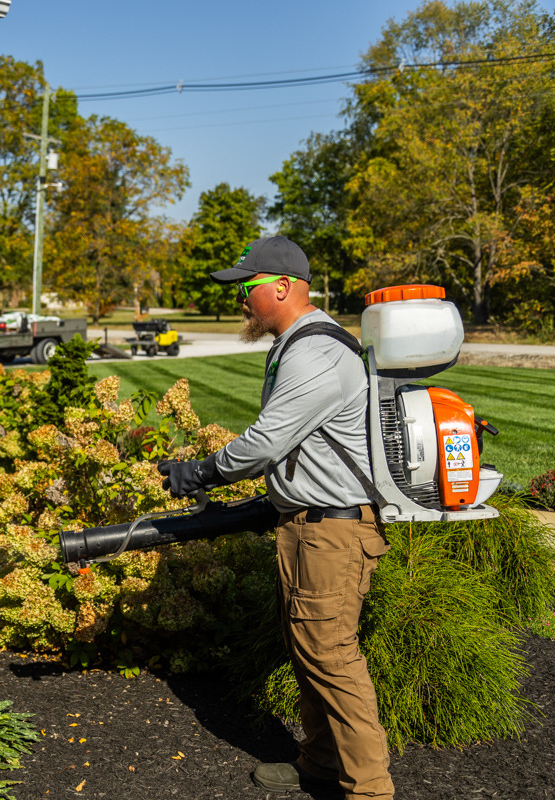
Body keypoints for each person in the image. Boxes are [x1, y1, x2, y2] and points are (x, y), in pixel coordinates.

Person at [157, 236, 394, 799]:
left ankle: (371, 790)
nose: (241, 298)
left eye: (247, 287)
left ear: (283, 286)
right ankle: (316, 761)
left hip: (332, 532)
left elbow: (265, 443)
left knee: (332, 655)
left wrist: (201, 473)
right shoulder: (296, 344)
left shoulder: (317, 352)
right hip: (307, 525)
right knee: (307, 646)